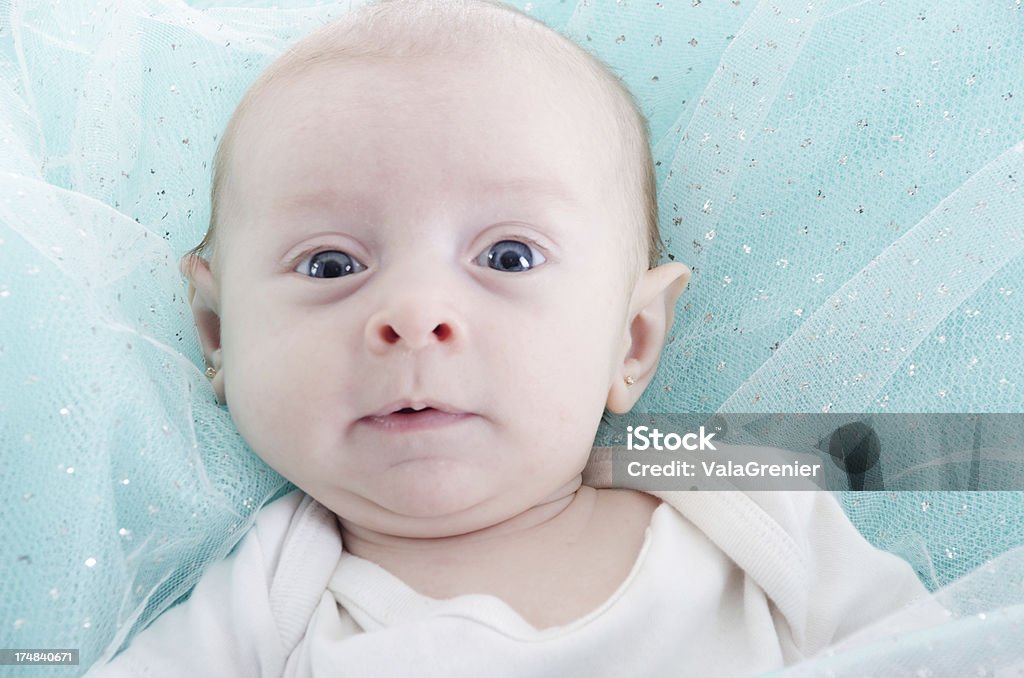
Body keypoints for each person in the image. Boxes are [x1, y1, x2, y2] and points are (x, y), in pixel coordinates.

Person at [88, 1, 932, 675]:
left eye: (508, 255)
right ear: (217, 333)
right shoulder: (267, 600)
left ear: (633, 342)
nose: (414, 314)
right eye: (329, 265)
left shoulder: (740, 504)